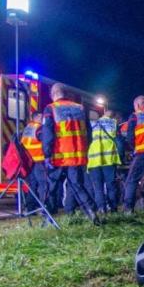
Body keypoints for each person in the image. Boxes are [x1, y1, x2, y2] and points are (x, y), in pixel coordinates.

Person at [41, 82, 98, 224]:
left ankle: (49, 218)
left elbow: (47, 134)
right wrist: (83, 149)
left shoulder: (51, 108)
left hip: (58, 156)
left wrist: (47, 154)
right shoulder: (80, 108)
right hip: (77, 157)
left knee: (52, 187)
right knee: (77, 185)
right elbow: (89, 134)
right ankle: (92, 213)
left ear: (53, 94)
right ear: (66, 93)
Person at [88, 109, 121, 213]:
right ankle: (113, 208)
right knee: (111, 185)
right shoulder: (113, 123)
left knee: (98, 187)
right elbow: (120, 142)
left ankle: (101, 208)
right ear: (113, 116)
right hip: (109, 160)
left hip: (94, 160)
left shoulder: (91, 123)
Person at [20, 112, 48, 211]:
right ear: (37, 118)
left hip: (29, 161)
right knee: (43, 184)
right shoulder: (39, 128)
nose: (42, 119)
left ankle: (30, 208)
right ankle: (44, 207)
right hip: (38, 160)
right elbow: (46, 142)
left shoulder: (28, 128)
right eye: (41, 117)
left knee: (33, 185)